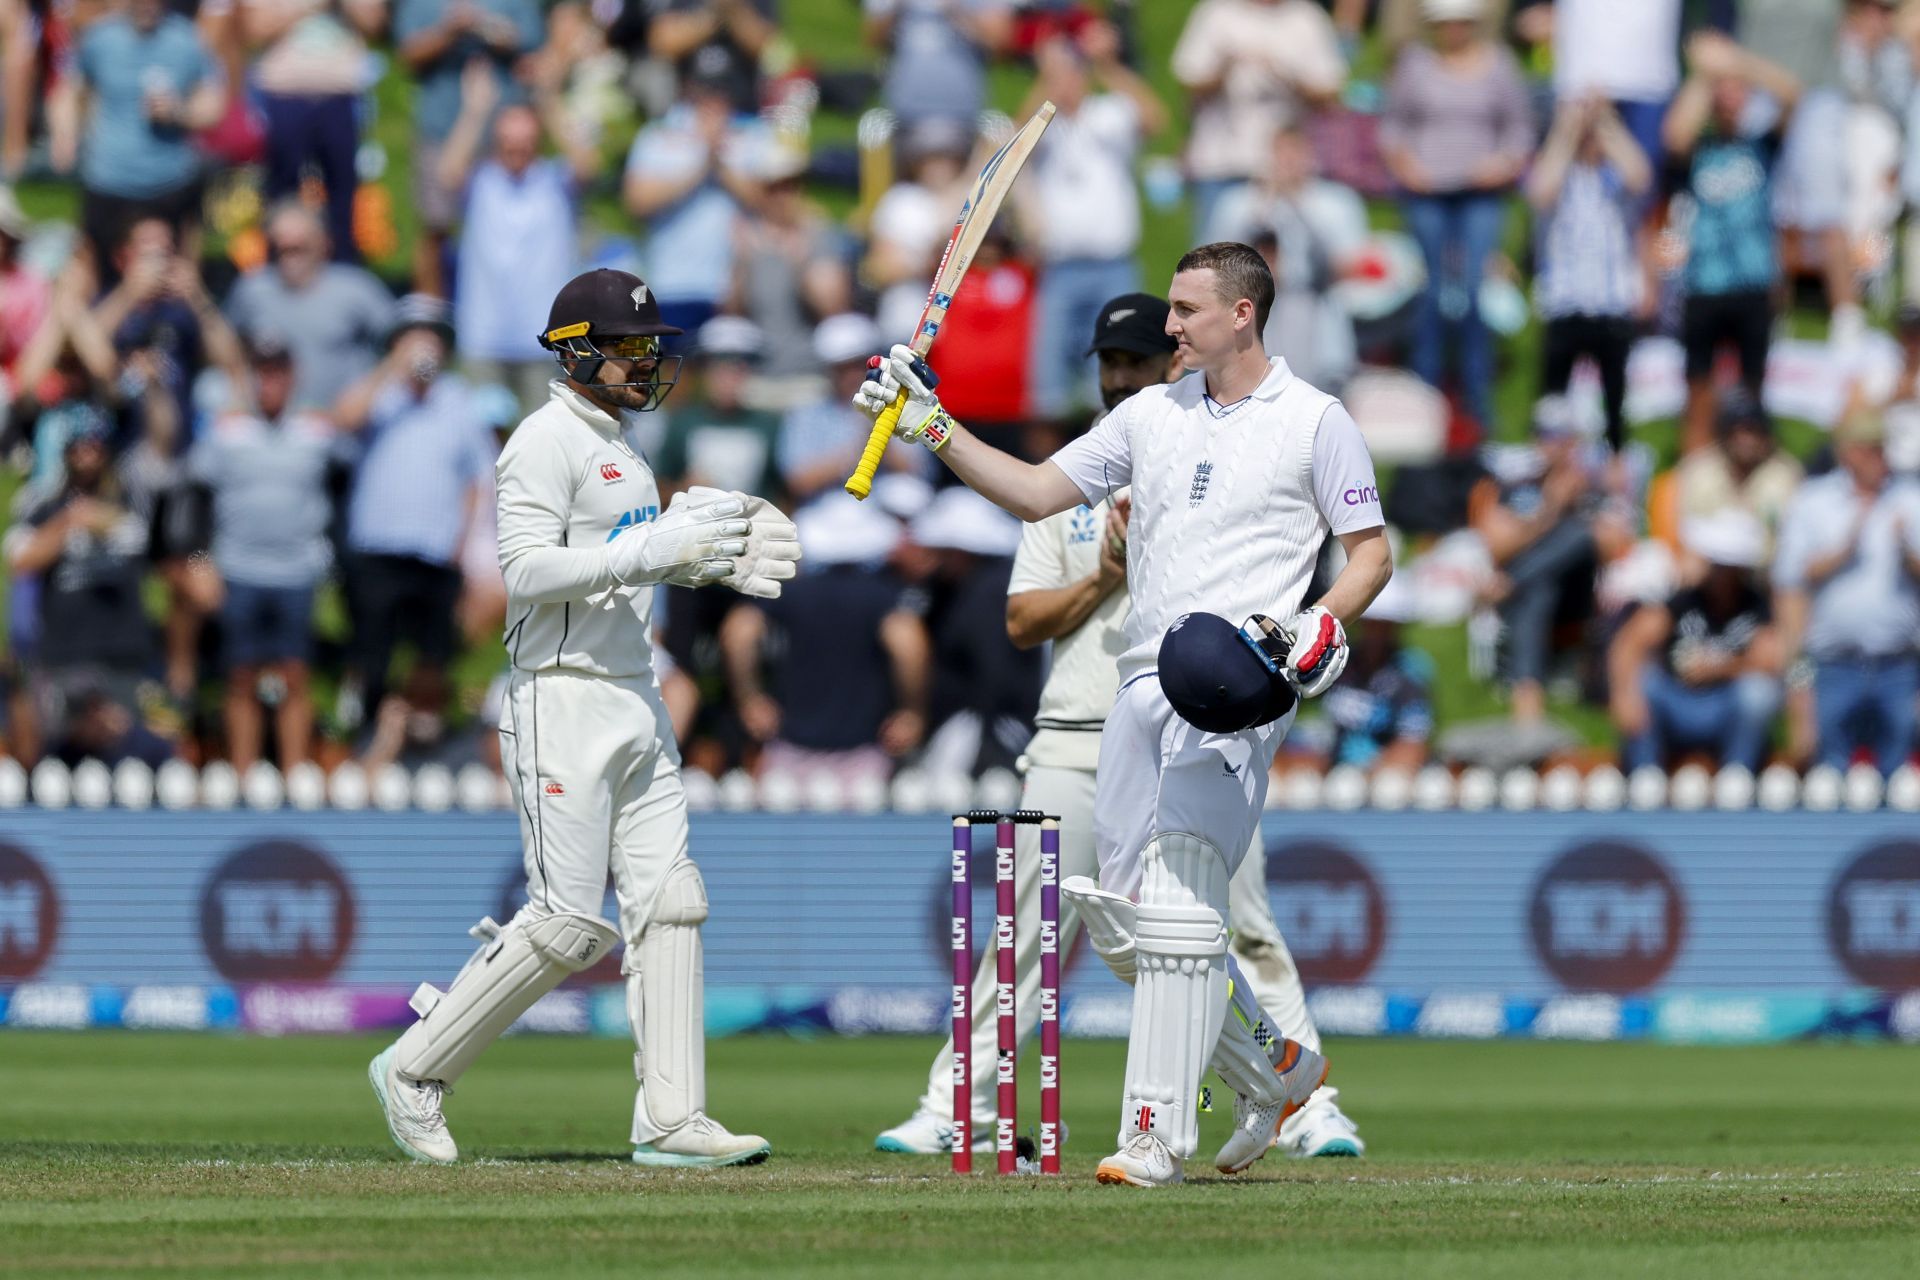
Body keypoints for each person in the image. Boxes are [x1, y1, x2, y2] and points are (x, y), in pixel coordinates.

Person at [853, 241, 1391, 1186]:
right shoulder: (1151, 414)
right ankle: (1276, 1066)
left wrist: (1315, 625)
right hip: (1137, 688)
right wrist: (929, 425)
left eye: (1186, 310)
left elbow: (1370, 554)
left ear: (1243, 315)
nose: (1170, 325)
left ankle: (1154, 1136)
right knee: (1122, 920)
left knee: (1182, 909)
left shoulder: (1316, 419)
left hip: (1237, 681)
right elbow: (1031, 492)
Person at [368, 267, 802, 1166]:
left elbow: (631, 567)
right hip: (557, 695)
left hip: (633, 693)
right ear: (577, 354)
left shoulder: (624, 446)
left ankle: (673, 1121)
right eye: (631, 348)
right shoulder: (542, 440)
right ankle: (413, 1071)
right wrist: (649, 548)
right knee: (566, 922)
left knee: (671, 903)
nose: (648, 363)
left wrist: (699, 552)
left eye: (653, 347)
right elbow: (525, 571)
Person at [331, 294, 494, 741]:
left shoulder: (459, 400)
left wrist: (465, 547)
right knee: (371, 651)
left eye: (433, 340)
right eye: (414, 339)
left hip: (437, 551)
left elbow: (478, 479)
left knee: (433, 656)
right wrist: (392, 368)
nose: (425, 350)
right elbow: (341, 418)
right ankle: (364, 737)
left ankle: (423, 745)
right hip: (377, 547)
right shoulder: (378, 393)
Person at [1380, 0, 1532, 434]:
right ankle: (1425, 397)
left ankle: (1477, 401)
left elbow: (1518, 129)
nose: (1453, 31)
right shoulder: (1416, 65)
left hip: (1480, 194)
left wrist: (1501, 164)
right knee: (1430, 290)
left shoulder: (1498, 65)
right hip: (1428, 192)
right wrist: (1407, 165)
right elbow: (1394, 127)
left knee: (1471, 290)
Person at [187, 332, 334, 773]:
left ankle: (291, 773)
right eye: (262, 373)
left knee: (293, 675)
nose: (269, 383)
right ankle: (243, 773)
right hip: (238, 568)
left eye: (277, 373)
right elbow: (193, 499)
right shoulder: (227, 432)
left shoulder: (316, 432)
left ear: (292, 378)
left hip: (297, 571)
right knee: (241, 676)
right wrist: (199, 562)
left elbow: (342, 487)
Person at [1663, 31, 1802, 455]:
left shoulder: (1761, 146)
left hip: (1754, 281)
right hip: (1704, 283)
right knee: (1699, 389)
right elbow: (1675, 134)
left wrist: (1736, 61)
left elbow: (1792, 94)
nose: (1728, 96)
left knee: (1753, 389)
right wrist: (1706, 75)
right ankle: (1695, 470)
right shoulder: (1698, 150)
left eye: (1734, 88)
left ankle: (1751, 469)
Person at [440, 59, 601, 410]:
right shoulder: (482, 181)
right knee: (484, 441)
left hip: (543, 336)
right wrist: (475, 112)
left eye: (525, 143)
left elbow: (587, 164)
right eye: (509, 144)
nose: (517, 152)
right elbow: (448, 172)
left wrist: (547, 100)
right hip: (484, 336)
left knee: (545, 437)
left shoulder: (553, 180)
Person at [1021, 25, 1164, 419]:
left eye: (1072, 73)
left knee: (1117, 371)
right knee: (1047, 385)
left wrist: (1107, 65)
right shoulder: (1045, 122)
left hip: (1111, 265)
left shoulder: (1109, 113)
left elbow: (1154, 119)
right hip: (1061, 267)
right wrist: (1046, 81)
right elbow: (1017, 145)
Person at [1772, 410, 1920, 775]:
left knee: (1900, 782)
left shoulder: (1911, 499)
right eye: (1872, 449)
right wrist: (1796, 677)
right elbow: (1791, 585)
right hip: (1832, 666)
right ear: (1848, 452)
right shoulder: (1812, 502)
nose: (1881, 458)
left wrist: (1907, 555)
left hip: (1898, 665)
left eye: (1883, 449)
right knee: (1828, 779)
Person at [48, 0, 225, 269]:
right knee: (94, 271)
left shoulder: (187, 40)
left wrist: (178, 112)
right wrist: (64, 135)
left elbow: (213, 105)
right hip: (109, 180)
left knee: (176, 276)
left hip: (170, 180)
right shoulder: (100, 38)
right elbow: (68, 91)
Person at [393, 0, 546, 298]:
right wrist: (449, 31)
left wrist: (489, 30)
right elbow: (408, 54)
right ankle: (432, 315)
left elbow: (533, 47)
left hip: (504, 132)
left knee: (504, 224)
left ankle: (499, 303)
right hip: (441, 124)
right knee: (436, 225)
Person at [1609, 510, 1782, 772]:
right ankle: (1644, 775)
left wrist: (1720, 668)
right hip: (1676, 701)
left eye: (1729, 567)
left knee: (1758, 693)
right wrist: (1623, 695)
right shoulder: (1682, 601)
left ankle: (1738, 775)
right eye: (1718, 565)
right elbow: (1629, 643)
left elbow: (1771, 660)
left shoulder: (1756, 606)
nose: (1722, 574)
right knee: (1645, 682)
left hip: (1725, 705)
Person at [1527, 95, 1652, 455]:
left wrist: (1604, 120)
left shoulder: (1617, 181)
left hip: (1611, 306)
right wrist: (1567, 127)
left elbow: (1640, 174)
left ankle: (1613, 465)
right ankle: (1549, 465)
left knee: (1615, 401)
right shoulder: (1557, 175)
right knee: (1552, 402)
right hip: (1564, 305)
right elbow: (1540, 191)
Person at [1170, 0, 1346, 237]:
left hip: (1283, 170)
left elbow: (1330, 92)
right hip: (1222, 164)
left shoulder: (1306, 17)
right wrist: (1227, 67)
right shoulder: (1217, 12)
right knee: (1215, 263)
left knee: (1280, 264)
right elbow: (1190, 79)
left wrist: (1286, 74)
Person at [224, 201, 398, 412]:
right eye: (281, 249)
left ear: (324, 244)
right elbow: (226, 350)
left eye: (299, 248)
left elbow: (409, 344)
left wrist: (369, 390)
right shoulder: (252, 289)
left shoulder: (356, 288)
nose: (290, 258)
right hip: (267, 428)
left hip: (342, 427)